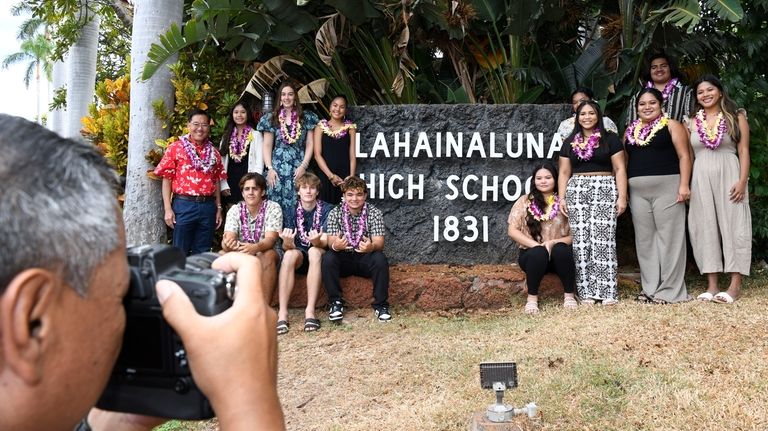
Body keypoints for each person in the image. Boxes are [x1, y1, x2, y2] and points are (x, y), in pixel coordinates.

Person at [0, 114, 284, 430]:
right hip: (186, 206)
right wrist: (249, 400)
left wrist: (112, 423)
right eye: (122, 294)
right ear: (31, 321)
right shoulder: (178, 149)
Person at [624, 88, 692, 304]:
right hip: (638, 192)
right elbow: (625, 163)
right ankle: (650, 288)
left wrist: (684, 185)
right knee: (645, 240)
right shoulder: (630, 130)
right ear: (637, 108)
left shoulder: (672, 125)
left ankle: (670, 290)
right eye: (642, 104)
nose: (647, 107)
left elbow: (685, 156)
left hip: (668, 186)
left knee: (670, 238)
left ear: (661, 104)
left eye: (652, 102)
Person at [687, 75, 751, 304]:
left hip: (730, 173)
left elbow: (743, 151)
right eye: (700, 92)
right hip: (701, 175)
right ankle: (712, 284)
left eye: (709, 90)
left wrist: (742, 181)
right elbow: (688, 155)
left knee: (734, 224)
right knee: (704, 225)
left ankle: (734, 285)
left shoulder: (736, 116)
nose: (705, 95)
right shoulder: (692, 121)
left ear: (720, 92)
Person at [558, 100, 628, 305]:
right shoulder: (570, 141)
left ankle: (607, 291)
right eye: (582, 114)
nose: (587, 117)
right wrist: (562, 197)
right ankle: (586, 291)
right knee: (580, 240)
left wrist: (622, 197)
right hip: (577, 189)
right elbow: (563, 172)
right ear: (577, 117)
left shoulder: (611, 139)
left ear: (598, 116)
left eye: (591, 113)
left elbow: (620, 169)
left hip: (605, 186)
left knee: (603, 238)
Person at [507, 163, 577, 314]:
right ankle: (532, 300)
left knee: (561, 250)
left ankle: (569, 296)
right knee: (538, 253)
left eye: (548, 177)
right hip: (532, 256)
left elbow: (574, 235)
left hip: (558, 257)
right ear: (534, 181)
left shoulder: (564, 203)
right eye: (539, 178)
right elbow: (512, 231)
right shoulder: (524, 201)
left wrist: (552, 243)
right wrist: (537, 246)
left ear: (556, 179)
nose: (543, 181)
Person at [155, 109, 226, 255]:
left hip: (208, 206)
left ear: (209, 127)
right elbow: (166, 179)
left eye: (204, 125)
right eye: (196, 124)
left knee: (203, 252)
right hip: (184, 205)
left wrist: (218, 208)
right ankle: (177, 278)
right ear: (188, 125)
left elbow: (217, 180)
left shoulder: (214, 152)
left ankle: (199, 278)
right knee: (180, 251)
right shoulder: (175, 148)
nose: (200, 128)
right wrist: (168, 209)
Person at [322, 177, 392, 322]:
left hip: (364, 257)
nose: (354, 199)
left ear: (365, 195)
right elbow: (330, 241)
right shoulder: (335, 213)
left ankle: (381, 305)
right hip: (344, 258)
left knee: (380, 259)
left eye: (359, 194)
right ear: (344, 196)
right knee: (328, 257)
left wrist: (371, 246)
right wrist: (336, 245)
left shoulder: (374, 213)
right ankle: (336, 303)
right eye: (350, 194)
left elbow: (379, 242)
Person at [276, 173, 332, 334]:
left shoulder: (328, 209)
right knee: (289, 255)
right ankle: (283, 313)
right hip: (298, 254)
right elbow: (288, 247)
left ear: (317, 191)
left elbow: (326, 242)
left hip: (319, 254)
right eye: (304, 188)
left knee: (314, 251)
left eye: (312, 188)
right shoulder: (289, 211)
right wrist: (287, 242)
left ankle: (310, 311)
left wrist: (316, 241)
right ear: (298, 191)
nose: (308, 191)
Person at [258, 80, 319, 214]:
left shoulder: (306, 117)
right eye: (283, 94)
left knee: (299, 202)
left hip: (299, 166)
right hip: (277, 169)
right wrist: (269, 168)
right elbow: (267, 145)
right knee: (275, 205)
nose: (287, 98)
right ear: (280, 98)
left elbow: (310, 143)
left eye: (290, 94)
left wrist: (304, 165)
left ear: (295, 97)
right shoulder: (272, 118)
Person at [222, 172, 282, 301]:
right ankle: (229, 305)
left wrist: (255, 247)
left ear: (263, 192)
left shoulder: (273, 207)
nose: (250, 192)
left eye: (255, 189)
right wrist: (228, 244)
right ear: (242, 193)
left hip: (267, 251)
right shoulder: (235, 210)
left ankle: (264, 306)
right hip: (242, 250)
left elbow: (271, 240)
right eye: (247, 189)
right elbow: (229, 237)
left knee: (267, 255)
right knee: (222, 254)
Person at [626, 52, 693, 123]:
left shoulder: (686, 92)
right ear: (649, 71)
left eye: (663, 66)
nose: (659, 69)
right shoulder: (637, 97)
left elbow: (691, 122)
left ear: (670, 68)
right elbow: (631, 126)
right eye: (654, 67)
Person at [313, 95, 357, 204]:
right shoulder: (320, 127)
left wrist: (350, 178)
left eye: (342, 107)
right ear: (330, 107)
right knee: (324, 209)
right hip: (325, 175)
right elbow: (317, 155)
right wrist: (330, 176)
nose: (337, 109)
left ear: (345, 110)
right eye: (335, 105)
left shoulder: (350, 129)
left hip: (344, 177)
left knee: (344, 210)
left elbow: (352, 156)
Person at [219, 101, 263, 208]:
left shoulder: (256, 135)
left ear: (248, 114)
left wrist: (254, 184)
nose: (239, 115)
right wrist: (223, 184)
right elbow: (220, 163)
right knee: (231, 215)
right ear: (232, 115)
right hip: (230, 183)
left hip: (248, 182)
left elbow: (259, 162)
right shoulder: (226, 136)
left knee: (248, 214)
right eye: (236, 112)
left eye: (243, 112)